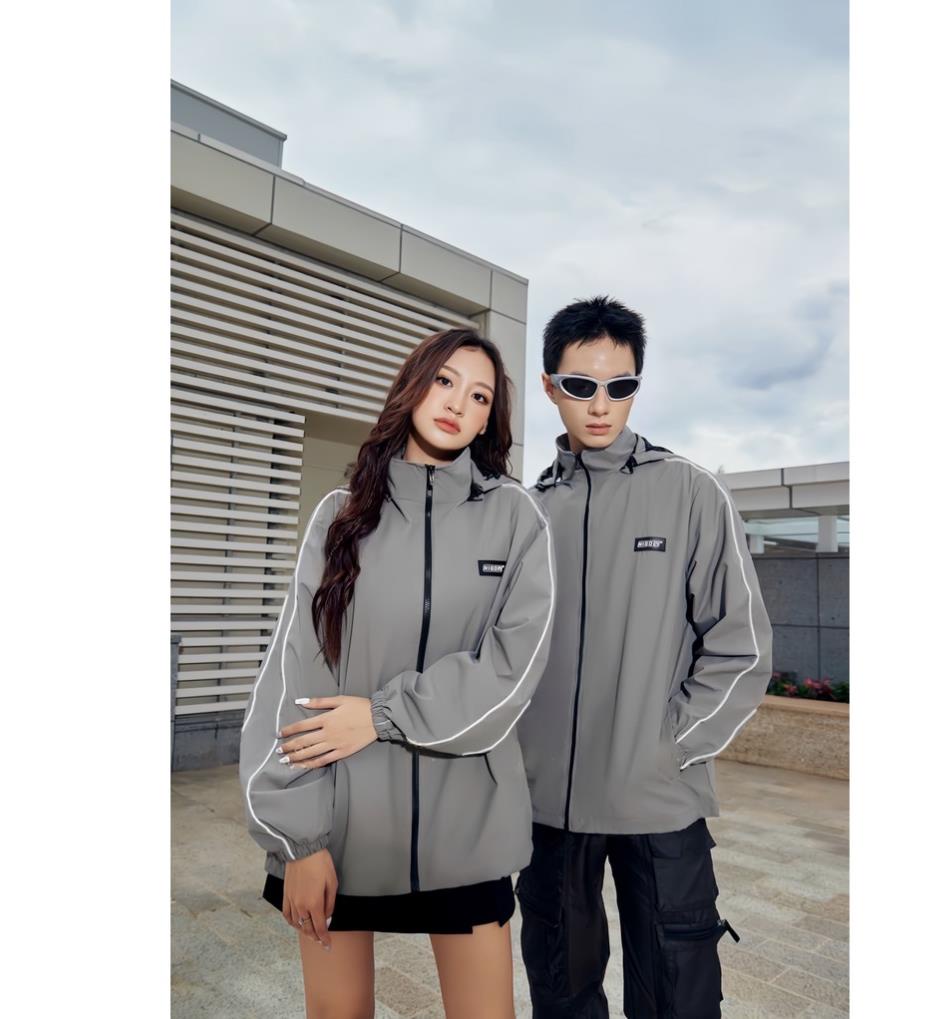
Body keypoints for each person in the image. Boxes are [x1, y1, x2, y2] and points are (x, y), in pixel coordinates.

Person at [238, 327, 556, 1019]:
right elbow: (294, 678)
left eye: (479, 396)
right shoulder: (340, 516)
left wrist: (380, 715)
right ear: (413, 386)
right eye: (444, 381)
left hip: (468, 831)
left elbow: (512, 670)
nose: (457, 404)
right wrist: (300, 842)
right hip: (341, 826)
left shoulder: (515, 517)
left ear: (489, 420)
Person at [515, 296, 774, 1018]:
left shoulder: (691, 491)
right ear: (549, 386)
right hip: (550, 809)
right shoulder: (527, 511)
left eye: (619, 385)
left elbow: (741, 646)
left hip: (659, 800)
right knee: (561, 996)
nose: (600, 405)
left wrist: (670, 748)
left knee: (676, 999)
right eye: (580, 385)